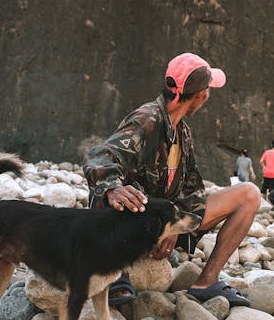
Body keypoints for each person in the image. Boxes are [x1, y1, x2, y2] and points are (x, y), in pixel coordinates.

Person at [83, 52, 261, 307]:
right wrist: (112, 189)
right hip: (126, 223)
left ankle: (206, 281)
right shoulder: (147, 119)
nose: (208, 96)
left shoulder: (183, 132)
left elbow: (192, 190)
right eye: (209, 89)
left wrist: (176, 224)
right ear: (201, 95)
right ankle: (112, 273)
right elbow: (99, 157)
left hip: (157, 222)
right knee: (115, 191)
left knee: (249, 194)